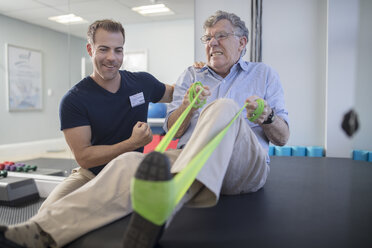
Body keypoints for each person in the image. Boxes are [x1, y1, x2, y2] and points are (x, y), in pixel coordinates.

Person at [1, 11, 289, 248]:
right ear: (91, 51)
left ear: (243, 43)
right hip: (168, 161)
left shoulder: (263, 74)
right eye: (208, 38)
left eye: (221, 36)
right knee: (129, 162)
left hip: (243, 167)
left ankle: (165, 205)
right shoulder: (191, 75)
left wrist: (268, 116)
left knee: (223, 107)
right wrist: (186, 104)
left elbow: (283, 136)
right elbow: (173, 131)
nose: (213, 43)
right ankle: (38, 232)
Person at [0, 19, 173, 248]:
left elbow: (174, 93)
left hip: (129, 172)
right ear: (90, 49)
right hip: (90, 174)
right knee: (42, 220)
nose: (112, 57)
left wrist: (198, 76)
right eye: (104, 49)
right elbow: (84, 157)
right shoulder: (74, 100)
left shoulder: (141, 82)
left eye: (118, 50)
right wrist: (132, 143)